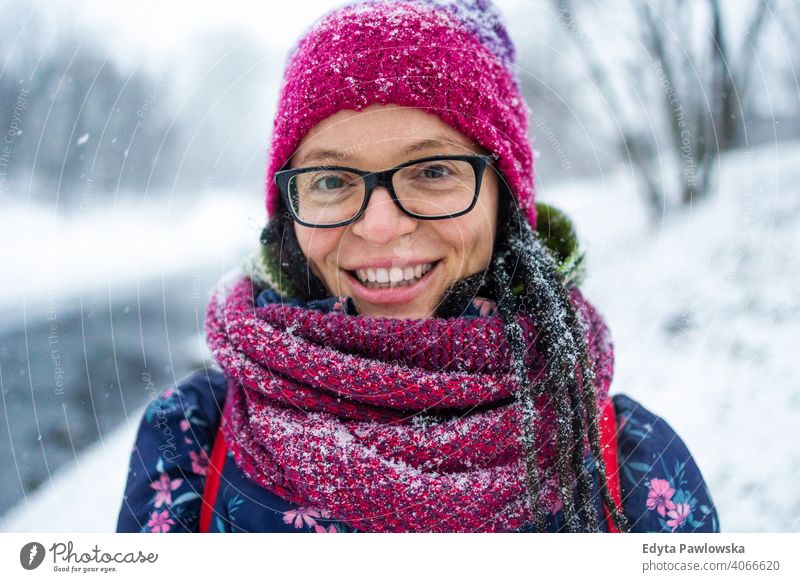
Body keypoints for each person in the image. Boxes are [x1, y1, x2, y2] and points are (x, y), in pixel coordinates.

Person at [116, 0, 719, 533]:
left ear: (503, 201)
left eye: (433, 171)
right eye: (330, 179)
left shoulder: (632, 469)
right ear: (291, 213)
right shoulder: (190, 440)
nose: (380, 226)